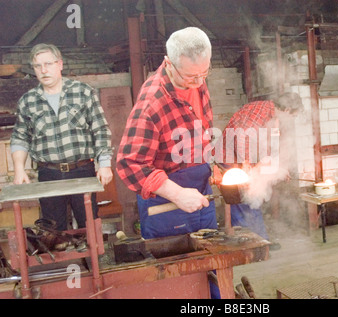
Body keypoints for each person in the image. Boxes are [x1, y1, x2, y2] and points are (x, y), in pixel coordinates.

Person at [116, 27, 216, 240]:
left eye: (204, 74)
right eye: (191, 77)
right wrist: (177, 194)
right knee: (175, 269)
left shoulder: (196, 78)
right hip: (166, 200)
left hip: (201, 189)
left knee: (211, 264)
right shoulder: (152, 103)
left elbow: (201, 130)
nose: (199, 83)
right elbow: (129, 164)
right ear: (169, 64)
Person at [10, 43, 113, 231]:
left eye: (48, 64)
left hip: (82, 170)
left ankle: (93, 260)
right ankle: (62, 259)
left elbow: (100, 129)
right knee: (53, 230)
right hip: (49, 174)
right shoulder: (28, 101)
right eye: (37, 66)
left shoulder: (83, 92)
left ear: (60, 64)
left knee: (89, 224)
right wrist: (19, 170)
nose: (43, 70)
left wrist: (104, 164)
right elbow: (20, 137)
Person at [218, 92, 303, 247]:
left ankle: (259, 240)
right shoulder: (260, 111)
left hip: (245, 160)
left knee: (253, 198)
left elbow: (269, 146)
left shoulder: (274, 118)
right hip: (232, 160)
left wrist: (279, 168)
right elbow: (242, 137)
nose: (291, 120)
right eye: (293, 116)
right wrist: (248, 167)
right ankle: (248, 243)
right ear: (287, 109)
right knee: (243, 200)